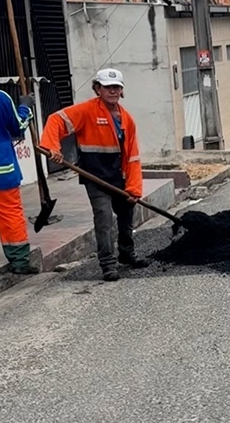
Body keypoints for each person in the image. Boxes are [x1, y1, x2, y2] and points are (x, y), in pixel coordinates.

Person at [40, 68, 149, 281]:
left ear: (122, 91)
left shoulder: (127, 119)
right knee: (104, 217)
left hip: (119, 178)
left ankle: (127, 253)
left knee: (126, 216)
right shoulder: (87, 111)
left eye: (116, 87)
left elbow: (133, 157)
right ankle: (108, 264)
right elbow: (55, 120)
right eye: (108, 87)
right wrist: (53, 147)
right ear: (98, 89)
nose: (113, 91)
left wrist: (134, 188)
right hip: (95, 178)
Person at [0, 62, 38, 274]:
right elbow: (17, 127)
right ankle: (19, 262)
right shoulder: (0, 98)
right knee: (9, 214)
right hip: (1, 168)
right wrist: (25, 107)